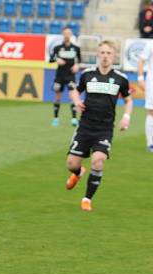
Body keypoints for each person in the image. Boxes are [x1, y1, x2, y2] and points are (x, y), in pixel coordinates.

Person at [65, 41, 131, 212]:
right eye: (102, 52)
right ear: (97, 54)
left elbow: (128, 99)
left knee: (98, 161)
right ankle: (78, 172)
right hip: (85, 127)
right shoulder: (87, 74)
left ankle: (87, 199)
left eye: (109, 53)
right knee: (71, 164)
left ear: (114, 56)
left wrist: (126, 117)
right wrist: (77, 101)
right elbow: (74, 90)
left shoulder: (120, 79)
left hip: (104, 129)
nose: (105, 55)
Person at [49, 26, 82, 127]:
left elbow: (80, 60)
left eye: (69, 33)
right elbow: (50, 59)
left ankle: (73, 118)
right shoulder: (57, 48)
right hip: (59, 76)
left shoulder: (76, 48)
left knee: (73, 96)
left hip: (70, 76)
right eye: (65, 33)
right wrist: (56, 60)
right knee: (58, 96)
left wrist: (77, 65)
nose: (67, 35)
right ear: (63, 35)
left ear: (71, 35)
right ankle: (55, 118)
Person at [136, 39, 153, 152]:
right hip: (152, 81)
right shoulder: (151, 44)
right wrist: (140, 78)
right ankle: (150, 143)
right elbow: (141, 60)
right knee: (152, 111)